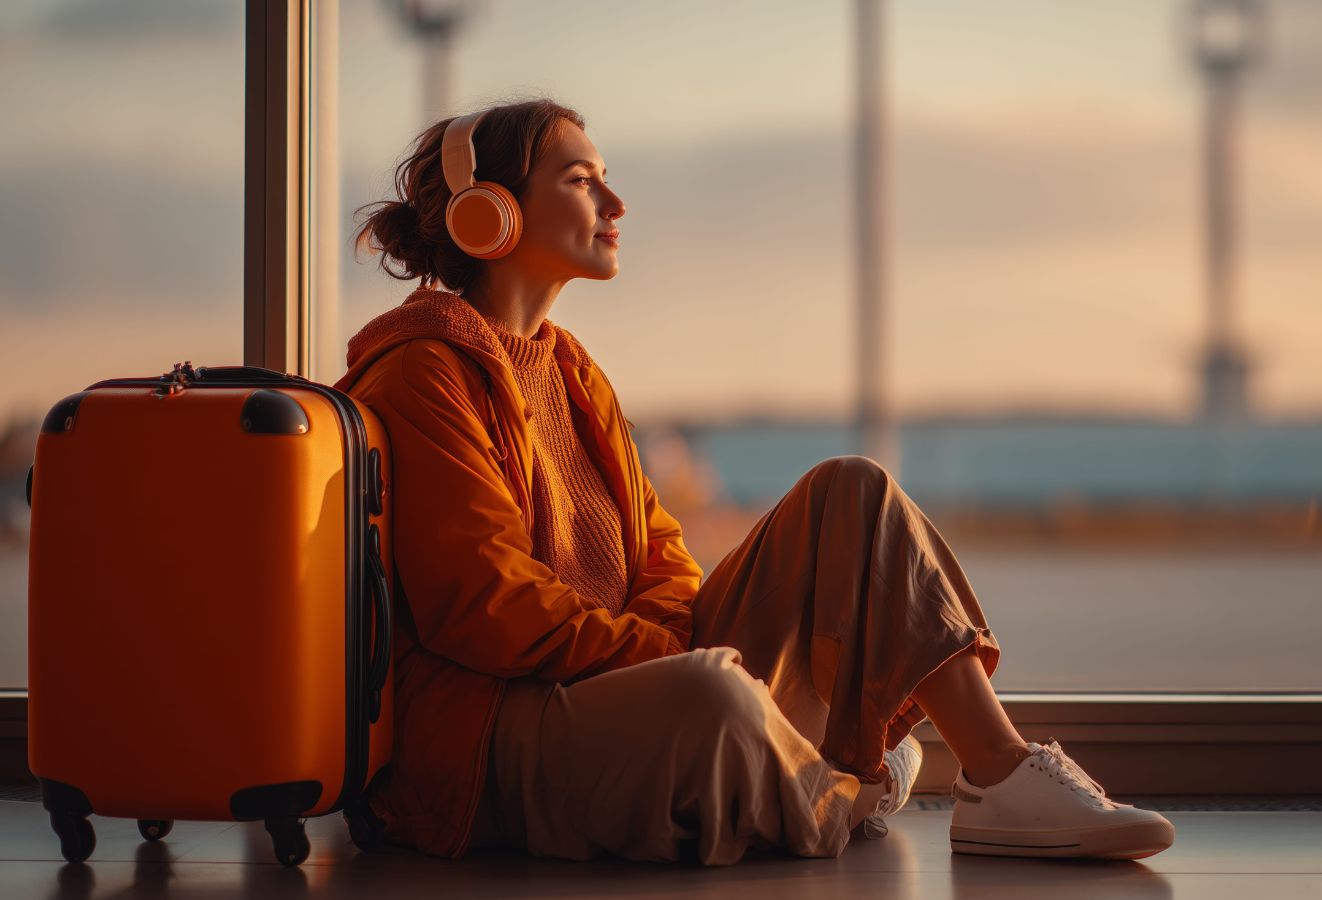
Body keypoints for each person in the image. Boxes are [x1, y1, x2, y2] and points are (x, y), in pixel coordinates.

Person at [334, 97, 1175, 866]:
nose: (616, 205)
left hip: (619, 680)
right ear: (493, 215)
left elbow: (661, 557)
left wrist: (671, 643)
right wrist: (671, 659)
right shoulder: (420, 374)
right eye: (582, 180)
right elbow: (484, 605)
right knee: (709, 695)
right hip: (494, 733)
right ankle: (848, 789)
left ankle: (998, 776)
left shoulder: (570, 372)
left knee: (853, 489)